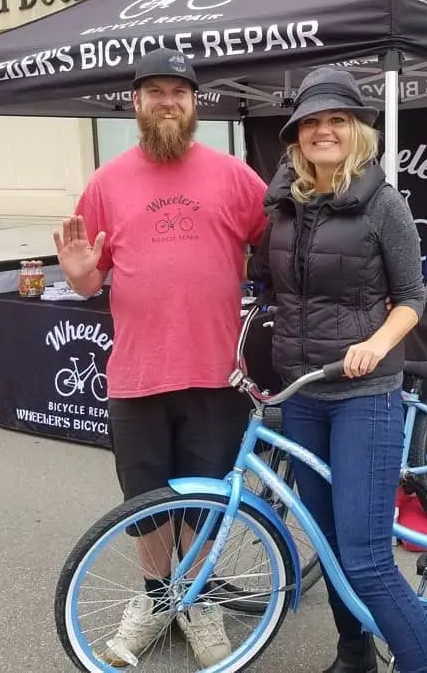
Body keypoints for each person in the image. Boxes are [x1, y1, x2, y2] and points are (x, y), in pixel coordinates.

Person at [53, 47, 268, 667]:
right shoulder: (107, 182)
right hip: (138, 376)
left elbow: (276, 242)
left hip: (217, 374)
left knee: (204, 501)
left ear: (196, 103)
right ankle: (155, 597)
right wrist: (79, 275)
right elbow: (90, 279)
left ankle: (196, 602)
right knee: (146, 504)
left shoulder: (234, 176)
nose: (167, 101)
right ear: (136, 102)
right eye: (156, 92)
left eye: (179, 92)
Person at [250, 67, 427, 673]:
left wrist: (377, 343)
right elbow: (268, 285)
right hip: (302, 391)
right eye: (311, 122)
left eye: (337, 119)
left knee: (366, 558)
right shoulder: (284, 205)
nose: (324, 131)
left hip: (365, 393)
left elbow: (412, 297)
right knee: (329, 543)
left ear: (357, 130)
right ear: (296, 135)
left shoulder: (385, 204)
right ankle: (353, 653)